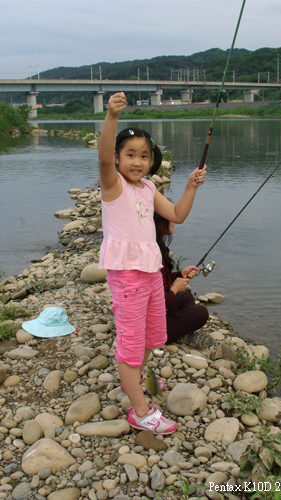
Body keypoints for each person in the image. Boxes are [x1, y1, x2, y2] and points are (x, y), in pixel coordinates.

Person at [98, 92, 206, 435]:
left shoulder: (147, 187)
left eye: (144, 156)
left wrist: (190, 186)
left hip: (151, 274)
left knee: (150, 338)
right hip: (128, 276)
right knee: (131, 345)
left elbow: (176, 215)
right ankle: (140, 411)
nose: (137, 161)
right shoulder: (112, 186)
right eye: (130, 155)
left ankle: (131, 383)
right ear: (117, 158)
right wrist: (112, 117)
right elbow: (101, 158)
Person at [154, 212, 210, 346]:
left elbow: (161, 282)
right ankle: (164, 336)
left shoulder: (158, 246)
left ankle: (176, 331)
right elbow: (157, 301)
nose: (174, 221)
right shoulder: (154, 253)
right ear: (159, 222)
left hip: (159, 311)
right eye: (170, 217)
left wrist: (180, 274)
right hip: (152, 319)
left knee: (186, 297)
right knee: (201, 313)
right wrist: (174, 288)